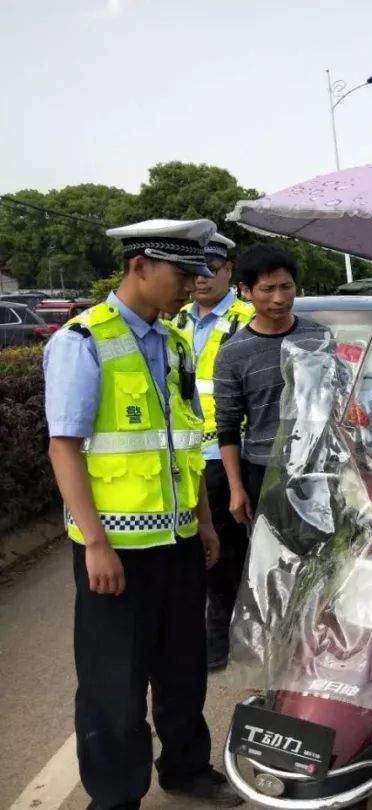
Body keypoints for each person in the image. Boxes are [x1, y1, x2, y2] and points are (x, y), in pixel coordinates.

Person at [43, 218, 241, 807]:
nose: (191, 285)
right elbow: (64, 448)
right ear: (140, 267)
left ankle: (186, 768)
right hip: (117, 551)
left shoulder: (177, 343)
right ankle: (116, 795)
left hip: (178, 542)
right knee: (115, 683)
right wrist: (97, 545)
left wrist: (204, 522)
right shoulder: (82, 342)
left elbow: (185, 442)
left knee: (183, 669)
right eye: (182, 273)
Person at [173, 232, 254, 671]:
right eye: (195, 269)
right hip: (183, 456)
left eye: (212, 269)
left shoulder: (246, 318)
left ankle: (220, 631)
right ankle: (207, 623)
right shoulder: (177, 320)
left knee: (223, 548)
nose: (201, 279)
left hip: (227, 454)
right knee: (193, 546)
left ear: (228, 272)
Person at [213, 243, 326, 531]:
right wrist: (236, 488)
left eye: (286, 287)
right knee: (270, 558)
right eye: (268, 289)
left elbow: (334, 399)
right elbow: (227, 425)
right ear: (246, 291)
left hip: (317, 468)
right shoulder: (233, 354)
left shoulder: (319, 338)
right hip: (263, 472)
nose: (279, 298)